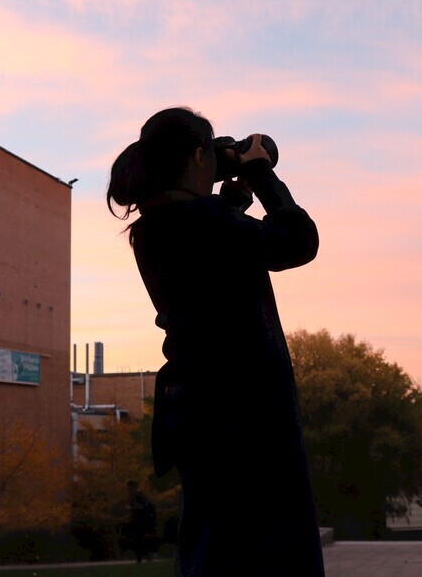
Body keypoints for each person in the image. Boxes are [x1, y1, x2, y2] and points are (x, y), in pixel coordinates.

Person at [107, 108, 324, 576]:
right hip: (244, 415)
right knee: (267, 551)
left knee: (216, 545)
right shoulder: (203, 225)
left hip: (199, 411)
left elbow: (215, 248)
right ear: (197, 155)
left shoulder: (155, 228)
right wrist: (261, 170)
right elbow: (297, 240)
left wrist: (233, 196)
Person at [123, 480, 157, 563]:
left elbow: (146, 507)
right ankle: (139, 557)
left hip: (142, 521)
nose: (128, 489)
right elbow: (129, 506)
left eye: (129, 487)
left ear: (134, 487)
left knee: (142, 539)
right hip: (135, 521)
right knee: (136, 540)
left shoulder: (140, 496)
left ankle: (146, 555)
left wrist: (135, 507)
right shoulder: (131, 496)